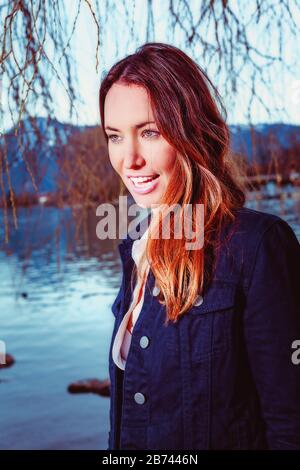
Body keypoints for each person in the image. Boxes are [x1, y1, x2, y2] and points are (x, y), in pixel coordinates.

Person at [99, 42, 300, 450]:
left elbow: (290, 423)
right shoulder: (136, 247)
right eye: (115, 136)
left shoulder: (256, 246)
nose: (129, 158)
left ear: (191, 131)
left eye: (150, 132)